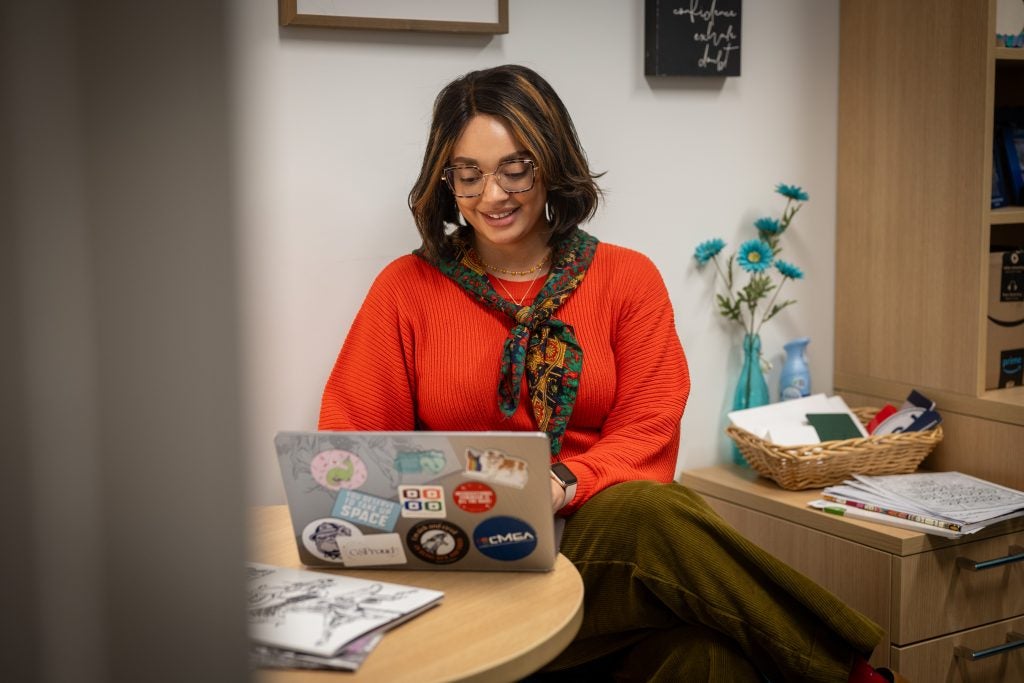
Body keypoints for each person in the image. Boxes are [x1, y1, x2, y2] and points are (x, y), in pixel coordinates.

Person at [318, 64, 904, 683]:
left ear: (552, 161)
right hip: (467, 558)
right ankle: (858, 677)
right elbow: (352, 449)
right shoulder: (406, 290)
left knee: (688, 600)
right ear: (446, 181)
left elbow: (650, 428)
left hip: (594, 549)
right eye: (469, 175)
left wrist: (561, 483)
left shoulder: (627, 279)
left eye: (515, 168)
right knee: (687, 587)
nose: (493, 195)